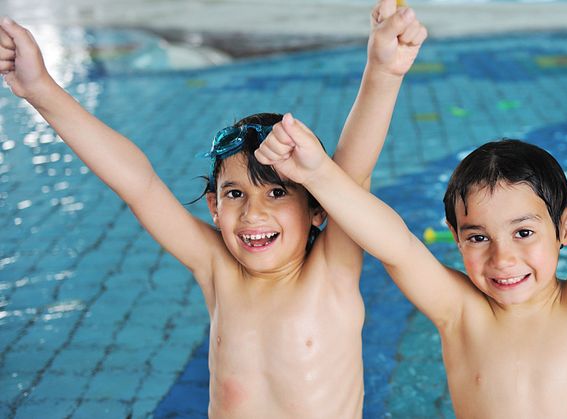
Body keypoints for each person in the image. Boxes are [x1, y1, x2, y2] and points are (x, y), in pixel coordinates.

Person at [0, 0, 427, 416]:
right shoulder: (217, 269)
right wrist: (41, 90)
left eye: (277, 193)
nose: (252, 212)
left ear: (319, 208)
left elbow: (352, 172)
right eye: (235, 193)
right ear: (214, 207)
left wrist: (383, 71)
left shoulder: (332, 271)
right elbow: (139, 186)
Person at [255, 62, 567, 418]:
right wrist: (317, 176)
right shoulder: (460, 312)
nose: (503, 258)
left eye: (524, 232)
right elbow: (397, 245)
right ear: (456, 238)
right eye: (478, 237)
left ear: (566, 227)